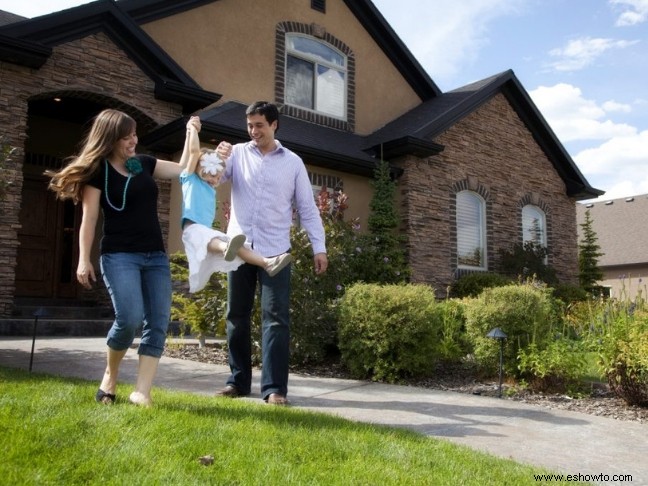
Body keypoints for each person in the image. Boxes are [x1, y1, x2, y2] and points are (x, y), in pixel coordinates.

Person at [47, 109, 211, 407]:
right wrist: (83, 259)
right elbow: (90, 217)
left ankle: (142, 392)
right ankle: (110, 376)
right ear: (111, 139)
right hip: (119, 255)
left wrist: (192, 130)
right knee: (129, 318)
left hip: (154, 256)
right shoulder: (98, 172)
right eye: (126, 137)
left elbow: (185, 167)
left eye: (135, 134)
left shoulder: (142, 164)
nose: (133, 141)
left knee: (158, 321)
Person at [215, 101, 328, 405]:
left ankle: (274, 388)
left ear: (274, 124)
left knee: (276, 318)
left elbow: (307, 208)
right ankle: (237, 382)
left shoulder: (292, 163)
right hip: (239, 248)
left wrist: (319, 247)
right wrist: (216, 157)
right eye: (249, 125)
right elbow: (211, 177)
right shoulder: (237, 154)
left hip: (276, 251)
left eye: (259, 125)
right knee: (236, 316)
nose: (253, 131)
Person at [179, 122, 292, 293]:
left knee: (239, 247)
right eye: (211, 176)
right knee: (225, 244)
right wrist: (192, 130)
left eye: (218, 177)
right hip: (192, 230)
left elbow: (218, 163)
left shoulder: (210, 188)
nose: (215, 181)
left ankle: (266, 263)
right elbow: (194, 151)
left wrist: (223, 154)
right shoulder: (189, 179)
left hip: (205, 232)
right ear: (199, 171)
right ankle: (226, 249)